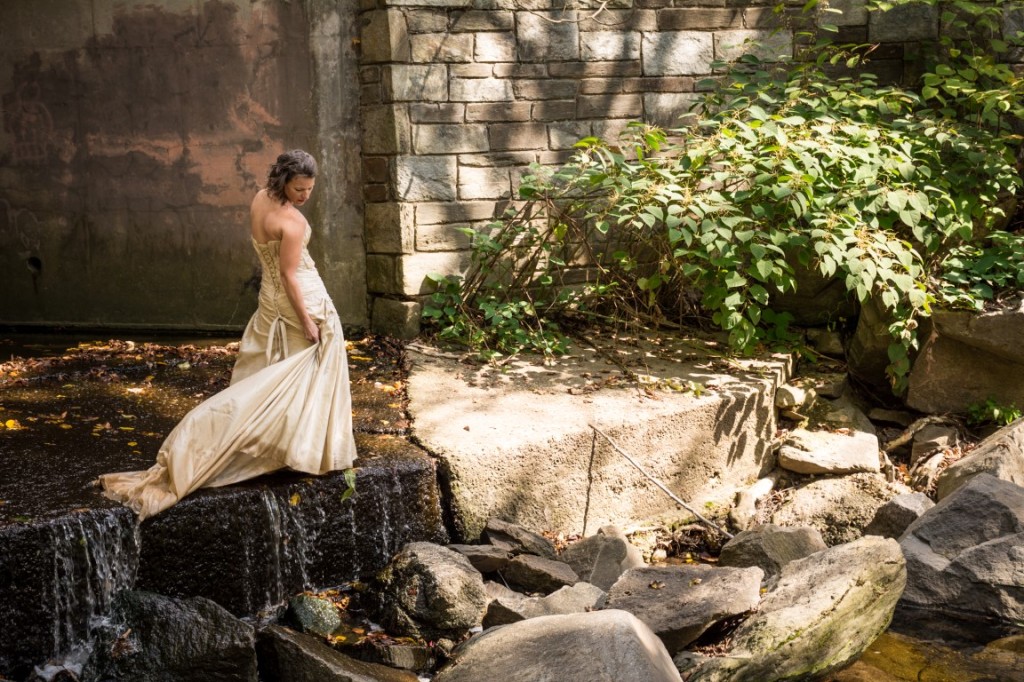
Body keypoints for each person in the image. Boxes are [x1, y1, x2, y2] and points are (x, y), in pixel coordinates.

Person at [99, 150, 358, 520]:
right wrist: (307, 320)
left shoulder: (260, 198)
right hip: (300, 297)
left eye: (310, 189)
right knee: (305, 373)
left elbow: (272, 269)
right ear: (285, 181)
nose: (305, 196)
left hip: (271, 299)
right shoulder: (293, 222)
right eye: (300, 188)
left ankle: (284, 445)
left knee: (279, 374)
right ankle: (257, 442)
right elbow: (289, 275)